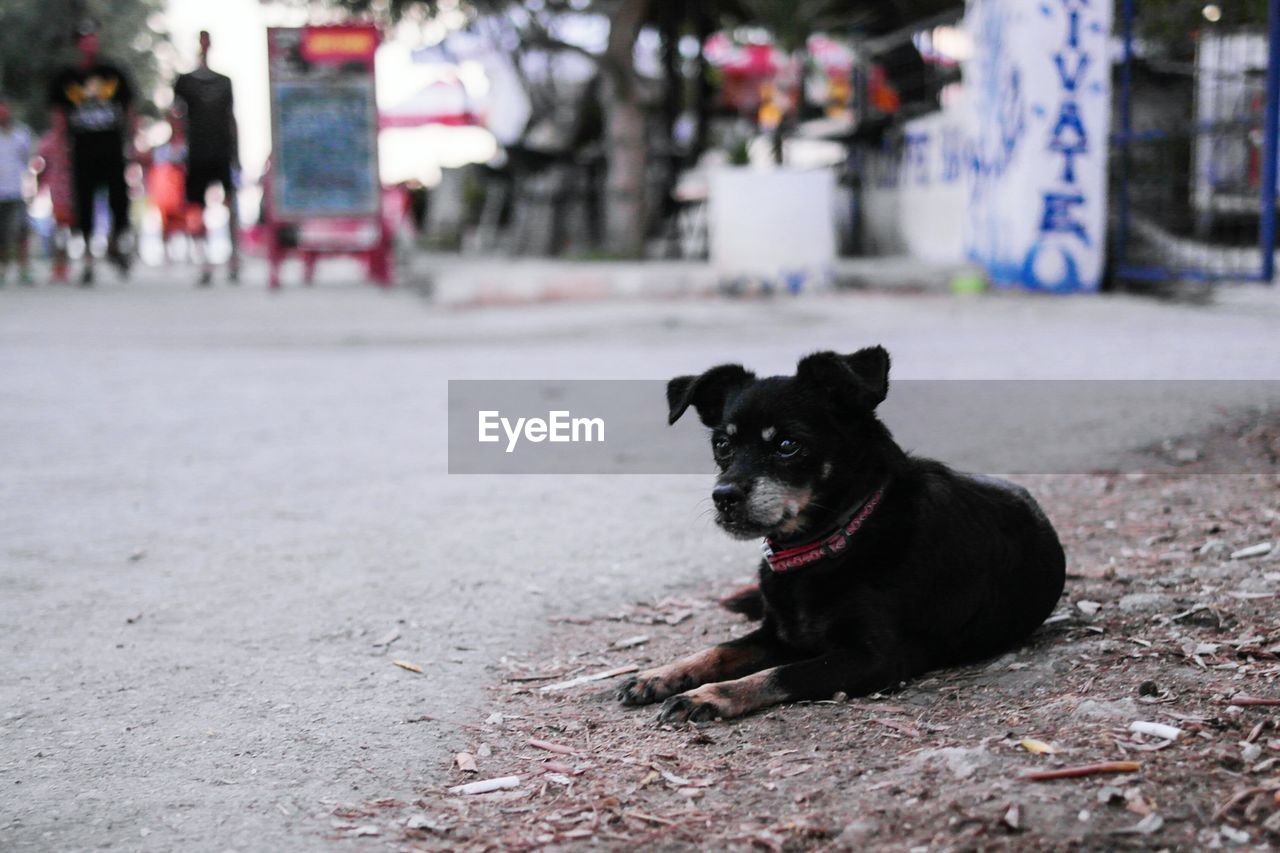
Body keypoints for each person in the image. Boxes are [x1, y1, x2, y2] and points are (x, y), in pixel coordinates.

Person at [48, 18, 136, 285]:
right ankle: (87, 258)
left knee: (119, 200)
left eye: (93, 38)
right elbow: (59, 117)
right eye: (85, 40)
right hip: (82, 151)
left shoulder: (113, 72)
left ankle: (116, 243)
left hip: (111, 149)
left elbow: (129, 110)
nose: (90, 44)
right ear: (78, 44)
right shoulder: (67, 78)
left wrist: (134, 143)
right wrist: (60, 150)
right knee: (83, 203)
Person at [173, 31, 240, 285]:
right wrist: (178, 147)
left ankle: (234, 257)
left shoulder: (224, 82)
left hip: (221, 151)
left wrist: (236, 152)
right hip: (196, 153)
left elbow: (231, 117)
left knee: (229, 203)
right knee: (196, 207)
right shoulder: (185, 82)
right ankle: (204, 261)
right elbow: (176, 114)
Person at [0, 95, 34, 285]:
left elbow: (28, 160)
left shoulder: (21, 134)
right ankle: (2, 269)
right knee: (2, 235)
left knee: (22, 231)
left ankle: (24, 268)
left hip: (17, 190)